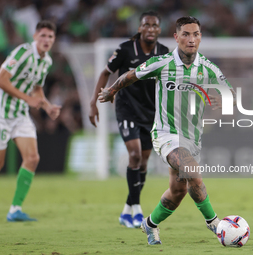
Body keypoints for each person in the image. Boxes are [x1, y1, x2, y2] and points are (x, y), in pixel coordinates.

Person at [98, 16, 236, 244]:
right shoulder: (162, 63)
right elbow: (130, 75)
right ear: (176, 37)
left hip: (192, 138)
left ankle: (150, 224)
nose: (191, 39)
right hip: (166, 135)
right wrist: (111, 90)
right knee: (192, 172)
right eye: (186, 34)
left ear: (200, 37)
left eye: (196, 34)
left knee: (178, 191)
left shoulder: (208, 68)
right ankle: (214, 223)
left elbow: (230, 93)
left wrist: (225, 100)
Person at [89, 11, 169, 228]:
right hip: (126, 109)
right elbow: (105, 73)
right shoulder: (125, 50)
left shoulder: (164, 53)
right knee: (133, 155)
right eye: (147, 25)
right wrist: (93, 103)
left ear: (159, 30)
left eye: (155, 25)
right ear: (140, 28)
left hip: (151, 114)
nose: (151, 29)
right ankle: (137, 210)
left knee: (143, 162)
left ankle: (127, 209)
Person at [0, 20, 61, 221]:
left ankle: (14, 209)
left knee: (32, 158)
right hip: (0, 113)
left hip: (20, 114)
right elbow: (1, 79)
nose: (46, 40)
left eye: (50, 37)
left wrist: (47, 106)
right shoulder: (22, 52)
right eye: (43, 36)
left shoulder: (46, 61)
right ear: (34, 36)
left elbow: (37, 88)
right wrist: (28, 98)